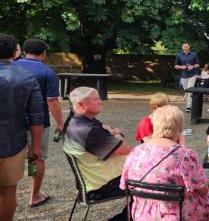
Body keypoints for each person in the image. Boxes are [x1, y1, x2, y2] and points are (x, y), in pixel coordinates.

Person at [121, 105, 209, 221]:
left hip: (143, 214)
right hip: (177, 214)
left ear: (155, 125)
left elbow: (124, 185)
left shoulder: (136, 151)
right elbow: (203, 190)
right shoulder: (185, 155)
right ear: (180, 128)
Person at [63, 87, 131, 220]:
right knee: (151, 180)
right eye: (96, 99)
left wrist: (112, 134)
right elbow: (126, 148)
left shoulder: (77, 121)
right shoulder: (87, 130)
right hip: (102, 186)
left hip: (95, 180)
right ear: (80, 105)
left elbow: (110, 134)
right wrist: (116, 133)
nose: (101, 102)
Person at [13, 38, 64, 207]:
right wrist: (60, 123)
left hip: (10, 123)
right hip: (37, 124)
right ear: (44, 53)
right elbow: (52, 101)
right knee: (35, 158)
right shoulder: (47, 72)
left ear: (24, 51)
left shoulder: (10, 66)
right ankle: (34, 195)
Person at [0, 33, 44, 220]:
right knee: (8, 193)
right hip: (14, 144)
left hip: (13, 143)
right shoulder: (26, 77)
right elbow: (36, 117)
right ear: (15, 52)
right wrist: (35, 148)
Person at [174, 42, 200, 112]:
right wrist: (181, 67)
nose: (185, 48)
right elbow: (175, 66)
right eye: (184, 47)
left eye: (186, 47)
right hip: (183, 75)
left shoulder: (193, 54)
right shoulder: (179, 55)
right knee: (186, 91)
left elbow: (198, 64)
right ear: (182, 48)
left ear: (189, 47)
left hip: (192, 75)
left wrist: (192, 66)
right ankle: (189, 103)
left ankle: (188, 106)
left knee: (190, 90)